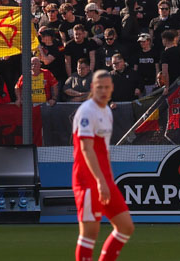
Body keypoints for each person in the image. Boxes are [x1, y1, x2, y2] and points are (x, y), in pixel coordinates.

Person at [72, 70, 135, 261]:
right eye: (99, 87)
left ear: (112, 88)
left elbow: (104, 150)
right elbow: (86, 149)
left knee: (125, 227)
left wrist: (108, 178)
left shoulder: (107, 111)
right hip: (87, 179)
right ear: (92, 88)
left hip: (104, 178)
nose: (103, 91)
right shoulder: (86, 111)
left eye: (107, 87)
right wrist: (100, 180)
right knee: (90, 233)